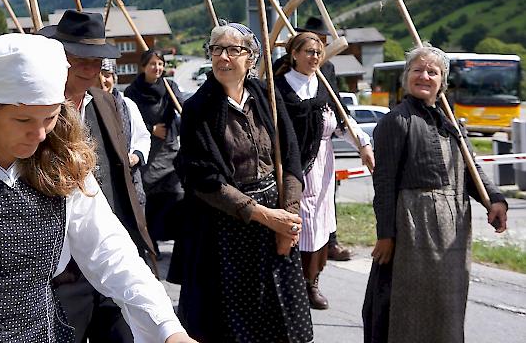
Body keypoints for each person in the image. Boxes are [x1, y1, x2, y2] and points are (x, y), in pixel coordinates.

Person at [0, 33, 195, 342]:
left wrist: (168, 329)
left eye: (50, 117)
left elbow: (111, 253)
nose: (40, 134)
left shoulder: (61, 166)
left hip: (39, 332)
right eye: (23, 120)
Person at [174, 22, 313, 342]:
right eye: (216, 50)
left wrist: (288, 219)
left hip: (277, 221)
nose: (224, 57)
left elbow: (292, 160)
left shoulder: (268, 97)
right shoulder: (198, 109)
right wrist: (267, 217)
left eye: (234, 50)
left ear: (251, 58)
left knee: (284, 321)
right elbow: (202, 178)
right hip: (227, 228)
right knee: (236, 325)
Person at [362, 45, 508, 343]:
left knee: (446, 306)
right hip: (414, 229)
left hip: (453, 229)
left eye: (433, 71)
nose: (424, 76)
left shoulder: (451, 122)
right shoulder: (395, 121)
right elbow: (385, 183)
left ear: (443, 80)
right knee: (406, 304)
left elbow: (470, 167)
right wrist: (386, 234)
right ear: (406, 77)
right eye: (417, 70)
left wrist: (494, 199)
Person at [38, 10, 158, 343]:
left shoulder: (108, 103)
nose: (90, 70)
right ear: (59, 58)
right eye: (80, 60)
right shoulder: (36, 110)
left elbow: (120, 170)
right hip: (62, 269)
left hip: (110, 253)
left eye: (96, 61)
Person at [274, 31, 374, 309]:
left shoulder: (324, 86)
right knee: (296, 222)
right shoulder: (279, 88)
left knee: (320, 225)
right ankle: (290, 283)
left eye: (318, 53)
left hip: (324, 163)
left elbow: (343, 122)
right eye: (308, 52)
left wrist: (363, 145)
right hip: (294, 166)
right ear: (294, 54)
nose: (314, 57)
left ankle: (312, 282)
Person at [124, 49, 184, 256]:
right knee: (149, 198)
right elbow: (129, 122)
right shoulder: (133, 91)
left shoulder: (169, 86)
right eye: (152, 64)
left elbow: (182, 105)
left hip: (169, 150)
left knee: (177, 194)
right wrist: (151, 129)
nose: (157, 68)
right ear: (143, 67)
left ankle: (178, 240)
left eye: (160, 64)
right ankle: (152, 242)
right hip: (149, 151)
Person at [95, 57, 151, 212]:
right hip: (100, 184)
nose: (102, 80)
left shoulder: (127, 105)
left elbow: (142, 136)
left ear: (114, 78)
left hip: (130, 177)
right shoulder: (86, 106)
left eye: (107, 75)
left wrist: (135, 156)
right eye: (97, 75)